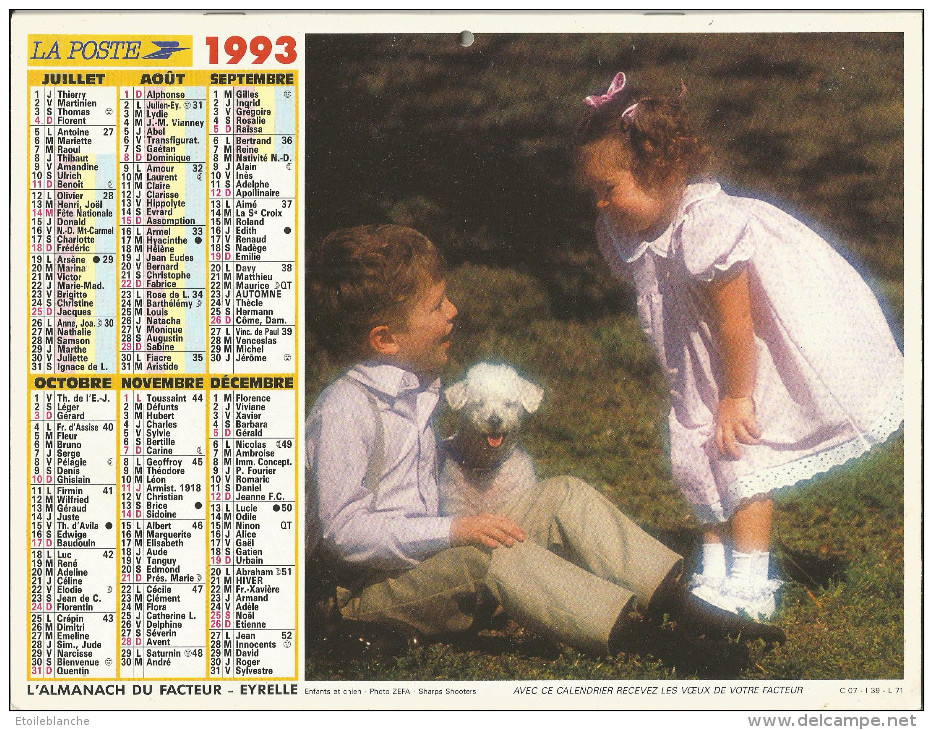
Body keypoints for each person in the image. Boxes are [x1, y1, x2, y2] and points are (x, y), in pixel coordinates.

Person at [306, 224, 778, 676]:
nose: (452, 310)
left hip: (425, 561)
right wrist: (453, 530)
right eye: (435, 306)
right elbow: (343, 534)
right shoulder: (347, 408)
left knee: (562, 494)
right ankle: (648, 642)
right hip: (367, 597)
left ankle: (687, 607)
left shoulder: (415, 388)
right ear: (385, 339)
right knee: (492, 551)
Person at [576, 72, 904, 621]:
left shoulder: (708, 225)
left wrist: (737, 395)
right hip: (693, 360)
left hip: (745, 357)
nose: (602, 204)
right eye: (595, 193)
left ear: (663, 173)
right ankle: (714, 565)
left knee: (739, 450)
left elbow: (736, 322)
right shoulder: (631, 231)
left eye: (611, 189)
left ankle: (752, 586)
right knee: (698, 443)